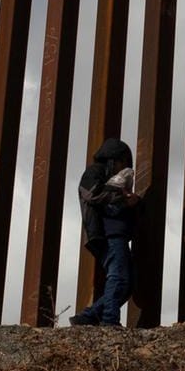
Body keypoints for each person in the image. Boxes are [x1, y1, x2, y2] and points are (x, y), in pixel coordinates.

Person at [70, 139, 139, 327]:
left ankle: (88, 317)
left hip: (114, 234)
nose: (124, 167)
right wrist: (124, 199)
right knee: (118, 278)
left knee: (125, 285)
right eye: (122, 162)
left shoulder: (109, 176)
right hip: (108, 235)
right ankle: (109, 320)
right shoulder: (95, 172)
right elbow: (92, 194)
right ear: (113, 159)